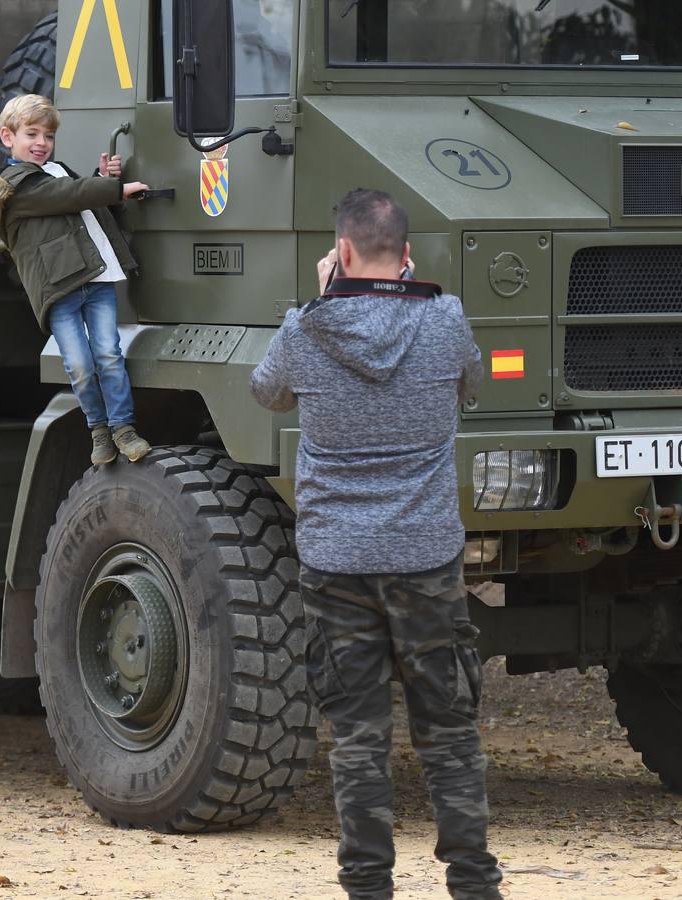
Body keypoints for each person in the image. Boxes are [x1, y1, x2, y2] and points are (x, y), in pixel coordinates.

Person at [249, 189, 499, 900]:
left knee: (358, 738)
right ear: (407, 254)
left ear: (344, 253)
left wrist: (324, 301)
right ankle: (474, 885)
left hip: (337, 563)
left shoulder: (305, 328)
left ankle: (367, 888)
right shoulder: (446, 320)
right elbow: (471, 385)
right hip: (425, 559)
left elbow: (266, 393)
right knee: (450, 734)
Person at [0, 93, 152, 467]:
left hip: (95, 279)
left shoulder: (55, 172)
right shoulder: (17, 184)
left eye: (48, 137)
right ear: (8, 138)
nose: (41, 144)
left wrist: (102, 180)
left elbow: (77, 208)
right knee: (80, 365)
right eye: (32, 135)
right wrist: (116, 189)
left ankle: (123, 428)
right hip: (60, 290)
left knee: (108, 355)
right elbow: (66, 196)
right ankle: (99, 430)